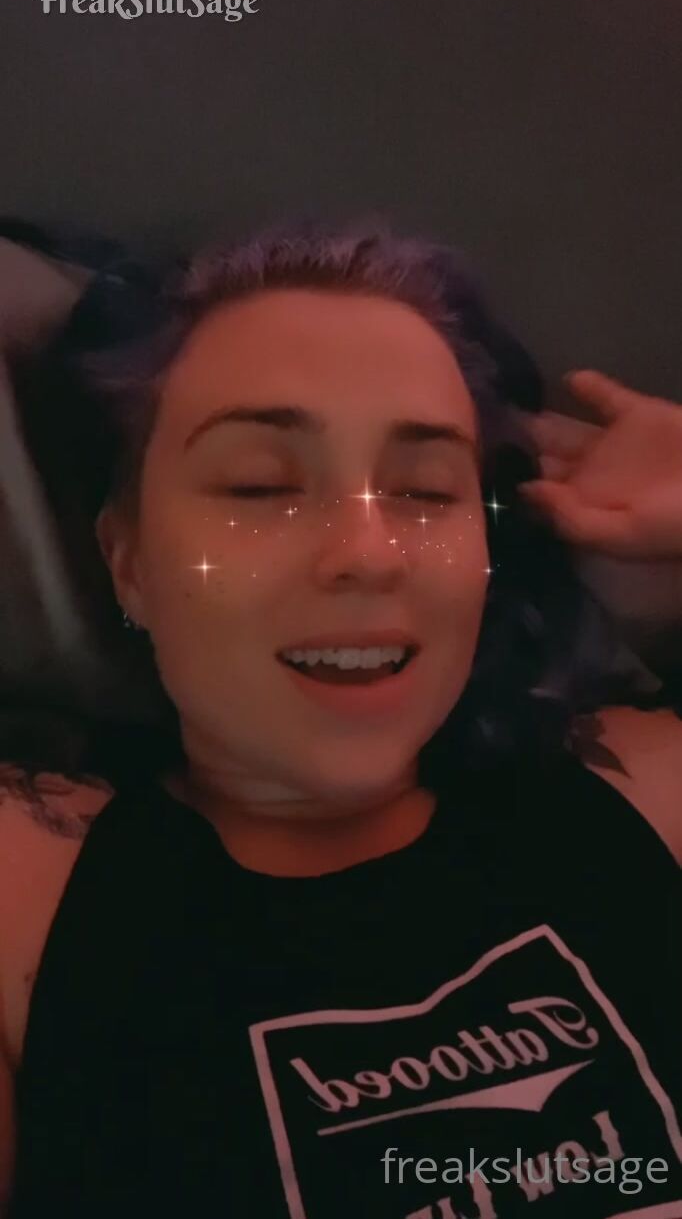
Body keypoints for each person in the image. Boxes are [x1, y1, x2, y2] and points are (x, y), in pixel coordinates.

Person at [0, 223, 680, 1219]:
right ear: (128, 561)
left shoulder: (646, 789)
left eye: (424, 490)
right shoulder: (26, 889)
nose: (368, 552)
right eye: (261, 485)